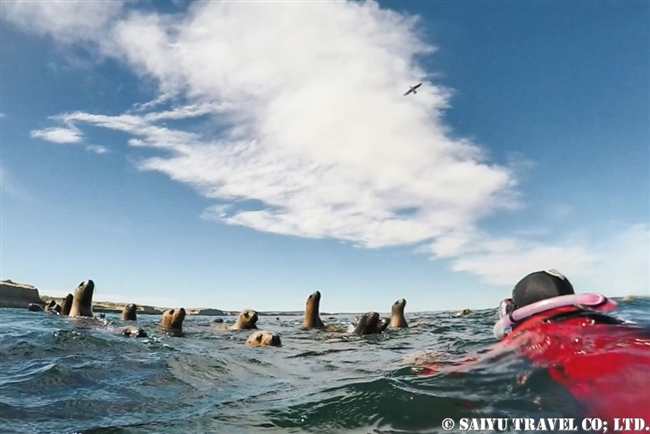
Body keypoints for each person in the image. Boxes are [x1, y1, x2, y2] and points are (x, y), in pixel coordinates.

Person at [420, 269, 650, 426]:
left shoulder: (531, 338)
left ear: (514, 312)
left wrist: (425, 363)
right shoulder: (624, 327)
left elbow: (446, 378)